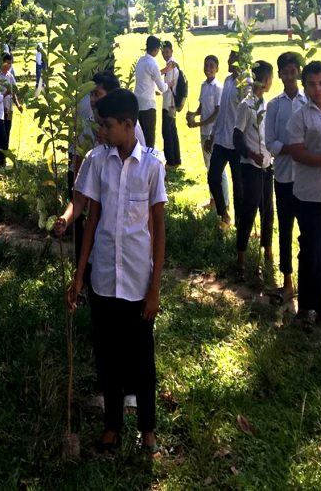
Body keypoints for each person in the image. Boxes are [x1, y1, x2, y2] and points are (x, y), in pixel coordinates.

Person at [66, 88, 167, 456]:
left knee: (141, 358)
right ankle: (111, 427)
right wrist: (80, 275)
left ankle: (149, 431)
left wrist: (155, 288)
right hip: (104, 280)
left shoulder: (152, 167)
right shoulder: (96, 160)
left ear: (128, 124)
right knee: (107, 356)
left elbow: (157, 231)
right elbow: (90, 218)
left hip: (138, 282)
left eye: (107, 125)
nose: (102, 131)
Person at [282, 60, 321, 328]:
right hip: (308, 194)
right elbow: (296, 151)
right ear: (304, 87)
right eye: (312, 84)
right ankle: (305, 307)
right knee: (310, 250)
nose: (318, 89)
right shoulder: (300, 116)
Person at [263, 52, 307, 302]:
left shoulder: (308, 102)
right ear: (279, 74)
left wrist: (297, 150)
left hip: (306, 179)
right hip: (282, 176)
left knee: (307, 233)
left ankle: (308, 284)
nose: (290, 76)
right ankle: (287, 281)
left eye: (293, 71)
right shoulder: (274, 105)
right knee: (286, 229)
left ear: (298, 73)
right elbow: (270, 142)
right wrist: (291, 149)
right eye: (285, 72)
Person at [233, 61, 273, 278]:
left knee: (268, 211)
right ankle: (241, 256)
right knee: (249, 211)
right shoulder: (246, 106)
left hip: (267, 166)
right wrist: (251, 154)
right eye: (270, 78)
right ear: (265, 80)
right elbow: (237, 137)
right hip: (251, 167)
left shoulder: (267, 105)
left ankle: (267, 252)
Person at [208, 52, 241, 226]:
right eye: (228, 57)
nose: (228, 60)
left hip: (236, 145)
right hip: (221, 140)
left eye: (232, 58)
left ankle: (240, 223)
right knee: (213, 177)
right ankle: (224, 215)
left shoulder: (246, 84)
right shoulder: (228, 81)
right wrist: (212, 134)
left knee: (239, 187)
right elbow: (222, 112)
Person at [187, 54, 221, 212]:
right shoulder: (204, 85)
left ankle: (222, 202)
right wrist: (194, 114)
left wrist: (199, 122)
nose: (208, 69)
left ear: (217, 69)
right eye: (206, 65)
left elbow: (217, 112)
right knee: (208, 167)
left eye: (211, 66)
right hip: (203, 132)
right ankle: (213, 199)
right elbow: (202, 107)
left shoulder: (218, 87)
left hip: (213, 132)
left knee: (216, 169)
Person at [133, 35, 165, 151]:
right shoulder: (153, 64)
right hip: (148, 105)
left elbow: (146, 79)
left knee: (139, 137)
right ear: (156, 49)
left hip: (138, 102)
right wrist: (169, 85)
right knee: (149, 137)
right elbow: (162, 87)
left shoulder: (141, 61)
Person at [159, 40, 183, 167]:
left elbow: (168, 85)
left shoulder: (171, 66)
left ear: (172, 51)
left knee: (167, 131)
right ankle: (176, 158)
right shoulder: (172, 64)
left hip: (169, 103)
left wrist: (160, 89)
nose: (165, 54)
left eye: (167, 52)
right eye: (163, 52)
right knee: (172, 130)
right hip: (170, 101)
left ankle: (171, 160)